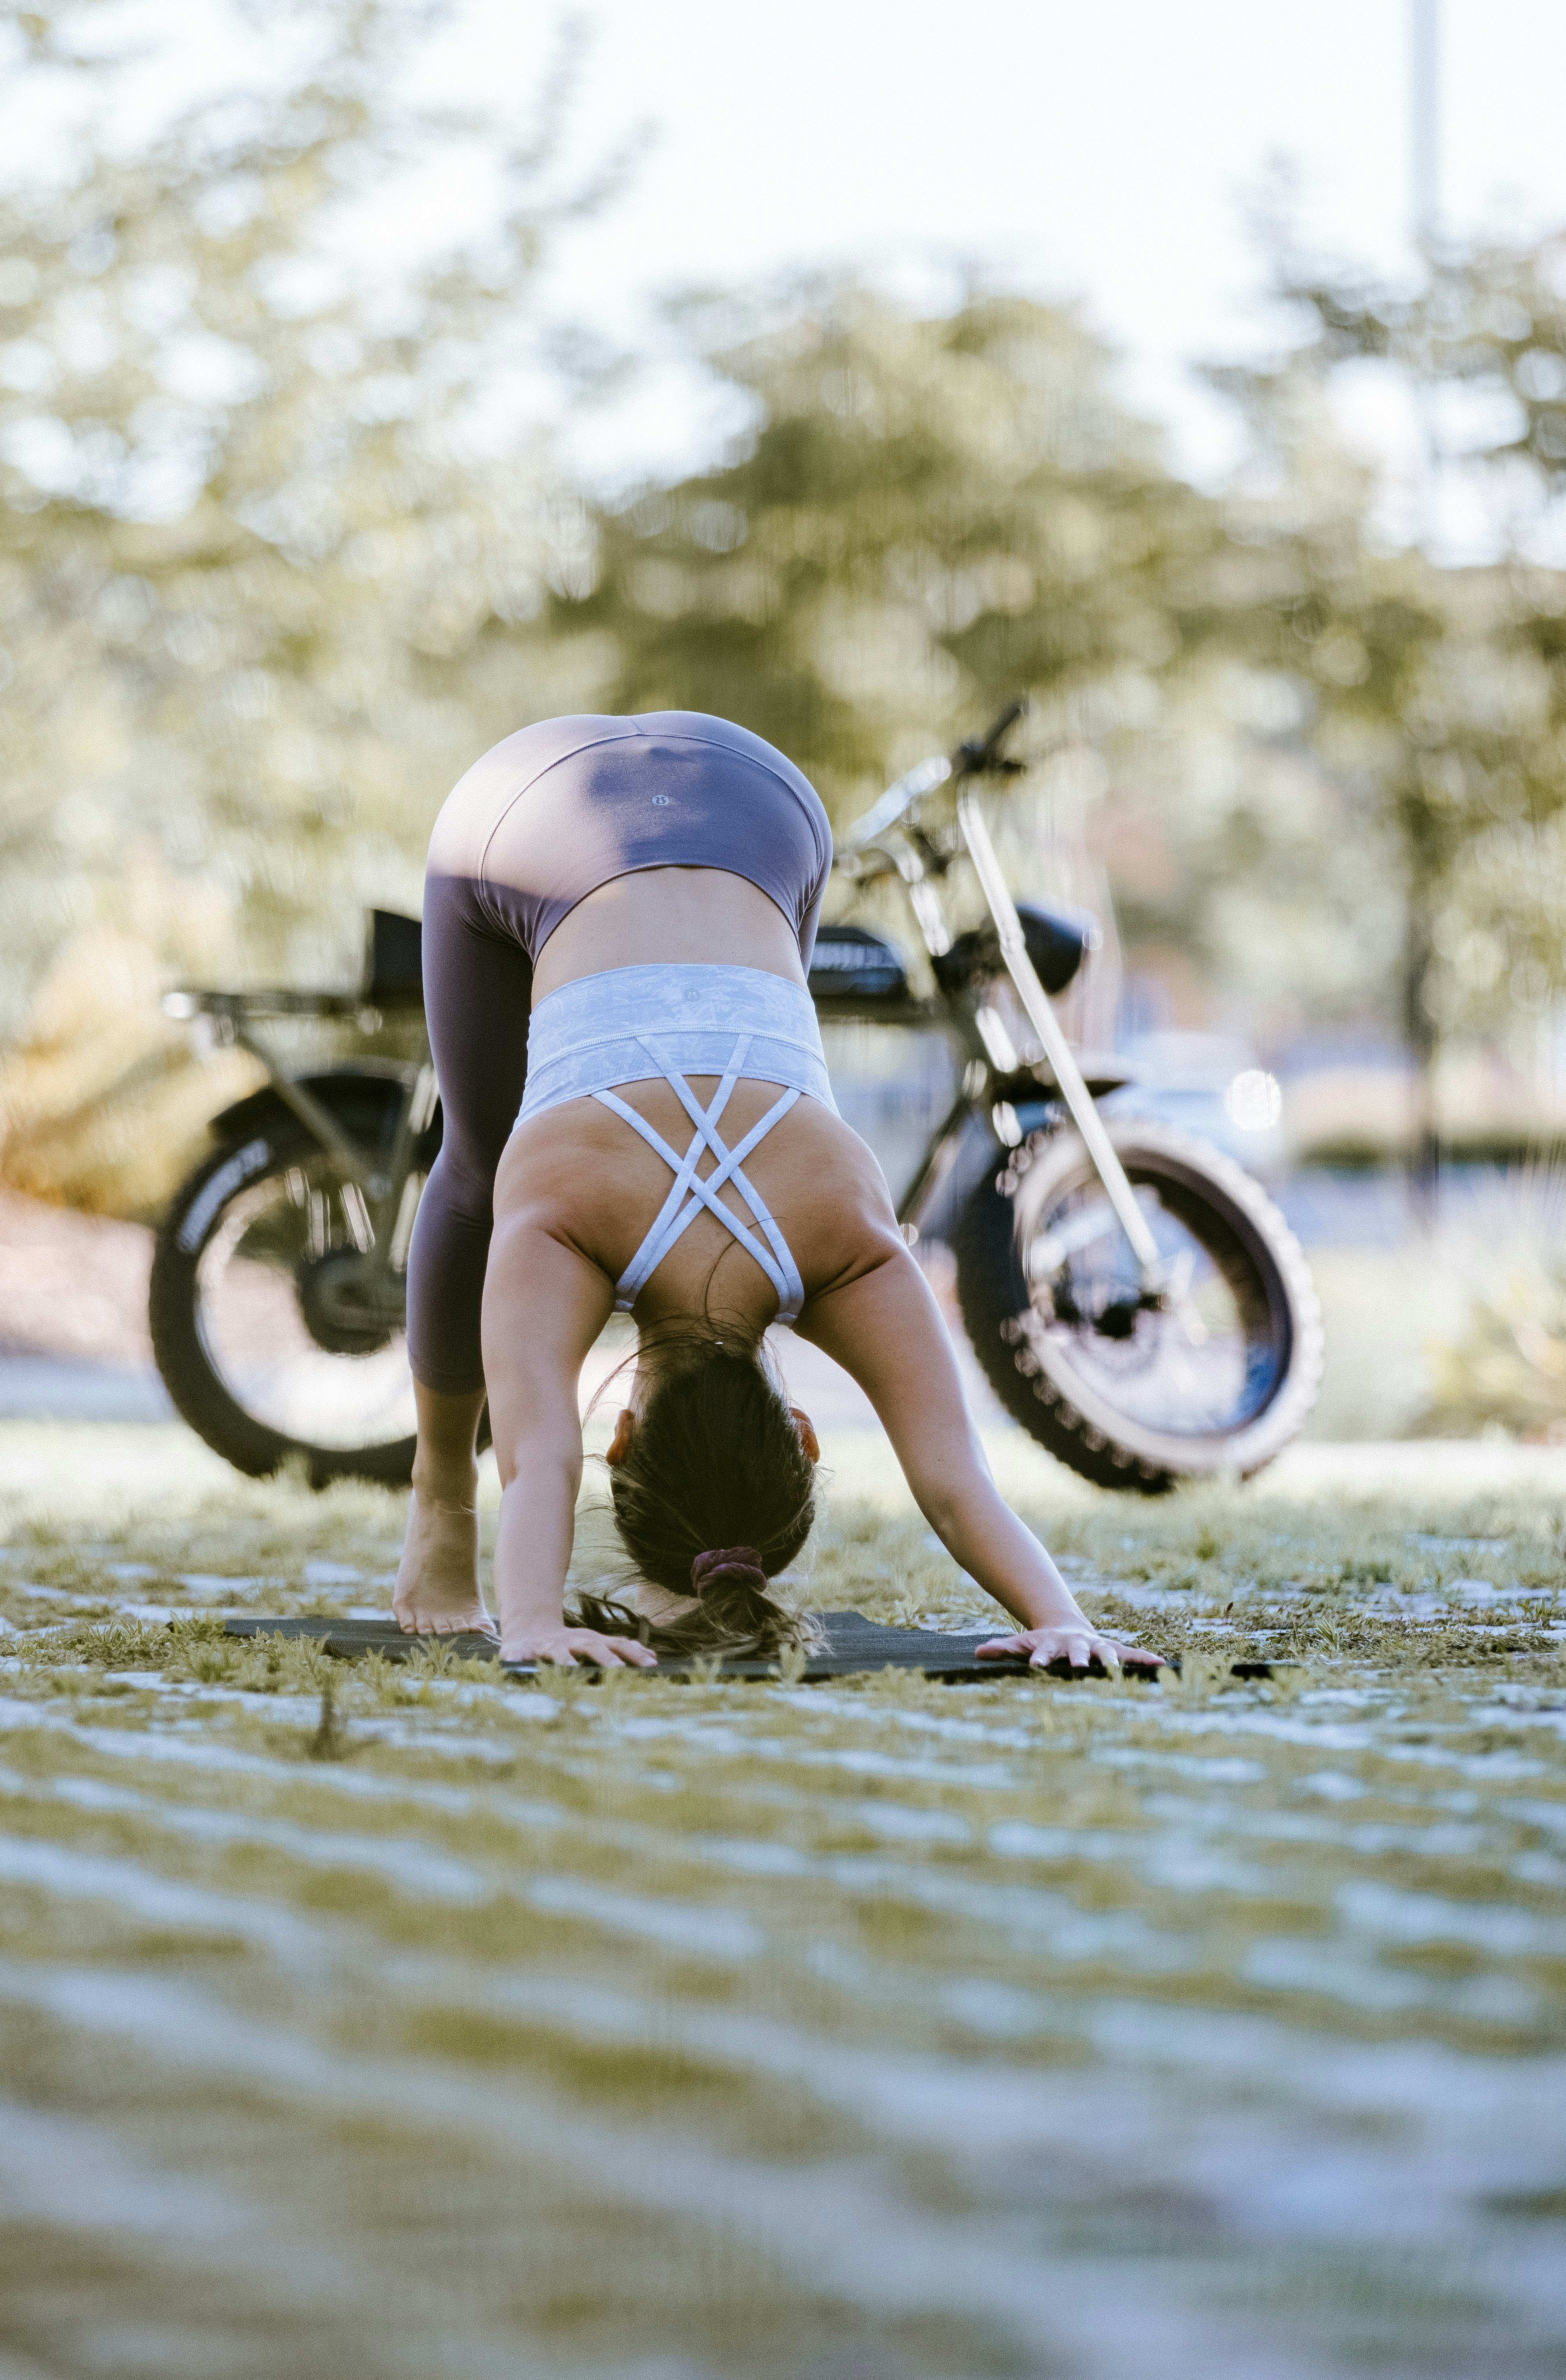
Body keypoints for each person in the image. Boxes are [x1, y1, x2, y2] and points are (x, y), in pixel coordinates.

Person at [392, 709, 1145, 1675]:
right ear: (621, 1439)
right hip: (540, 806)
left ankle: (434, 1507)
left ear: (800, 1433)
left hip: (764, 796)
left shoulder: (849, 1246)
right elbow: (543, 1458)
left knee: (474, 1165)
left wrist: (1062, 1616)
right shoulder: (564, 1230)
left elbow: (961, 1484)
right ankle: (443, 1507)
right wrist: (530, 1621)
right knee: (482, 1178)